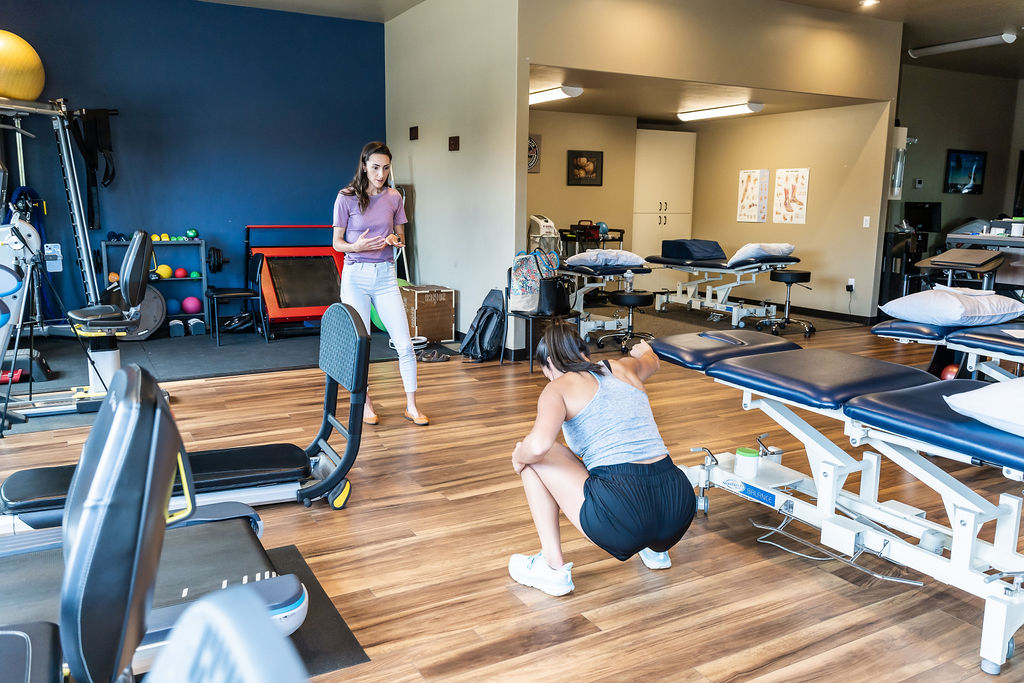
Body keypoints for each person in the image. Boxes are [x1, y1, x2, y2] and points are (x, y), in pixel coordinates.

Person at [509, 322, 696, 596]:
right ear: (583, 352)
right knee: (601, 462)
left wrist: (518, 457)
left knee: (534, 453)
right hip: (677, 506)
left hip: (625, 513)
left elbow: (538, 447)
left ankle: (552, 568)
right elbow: (652, 361)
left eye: (545, 372)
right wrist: (645, 350)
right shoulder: (621, 367)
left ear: (550, 362)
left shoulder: (558, 387)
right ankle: (655, 551)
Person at [332, 141, 428, 426]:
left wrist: (393, 241)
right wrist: (356, 245)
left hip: (386, 276)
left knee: (404, 343)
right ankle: (366, 402)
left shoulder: (394, 197)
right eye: (375, 168)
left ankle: (411, 405)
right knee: (361, 343)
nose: (381, 174)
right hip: (356, 276)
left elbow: (401, 238)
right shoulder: (346, 198)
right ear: (364, 166)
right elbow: (337, 244)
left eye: (385, 168)